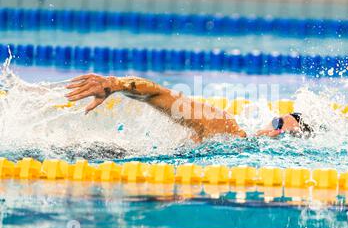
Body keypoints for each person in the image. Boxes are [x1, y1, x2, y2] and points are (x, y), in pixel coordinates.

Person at [65, 74, 312, 142]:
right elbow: (158, 93)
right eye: (279, 124)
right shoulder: (226, 127)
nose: (277, 132)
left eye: (285, 135)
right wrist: (116, 84)